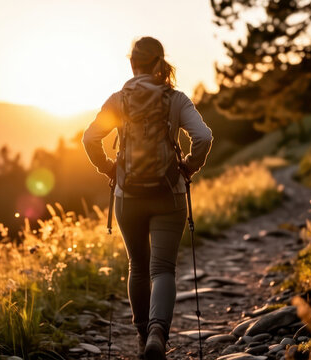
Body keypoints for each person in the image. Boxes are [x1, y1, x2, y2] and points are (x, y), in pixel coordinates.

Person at [82, 36, 213, 359]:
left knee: (138, 267)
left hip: (129, 196)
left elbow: (90, 138)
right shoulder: (177, 99)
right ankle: (158, 333)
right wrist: (189, 166)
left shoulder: (118, 100)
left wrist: (109, 169)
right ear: (160, 63)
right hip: (170, 193)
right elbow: (204, 136)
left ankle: (143, 337)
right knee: (163, 269)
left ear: (132, 63)